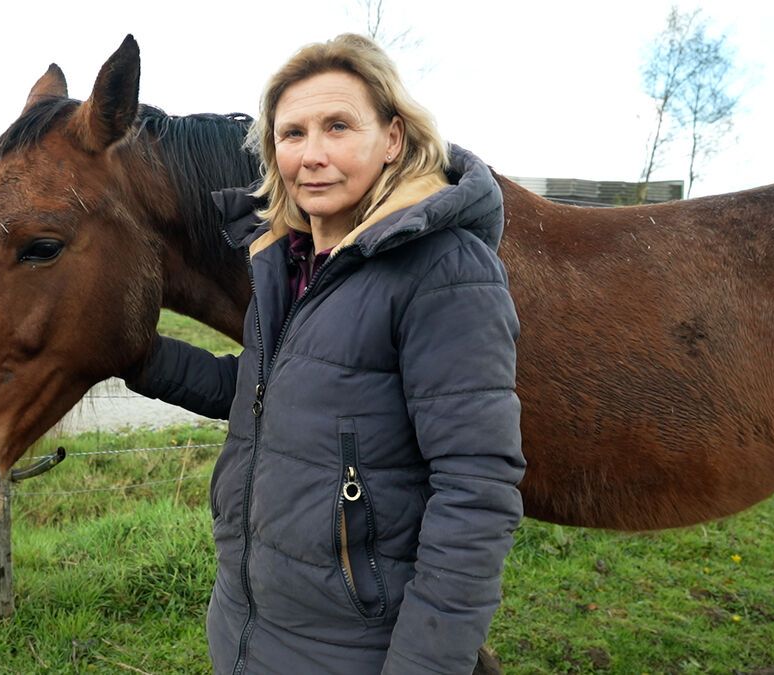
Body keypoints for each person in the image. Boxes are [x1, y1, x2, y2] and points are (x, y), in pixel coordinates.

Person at [126, 33, 524, 674]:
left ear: (393, 138)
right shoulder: (286, 263)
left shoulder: (444, 270)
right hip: (251, 628)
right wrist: (142, 360)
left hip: (354, 648)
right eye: (293, 134)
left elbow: (477, 491)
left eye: (337, 126)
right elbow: (272, 390)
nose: (312, 156)